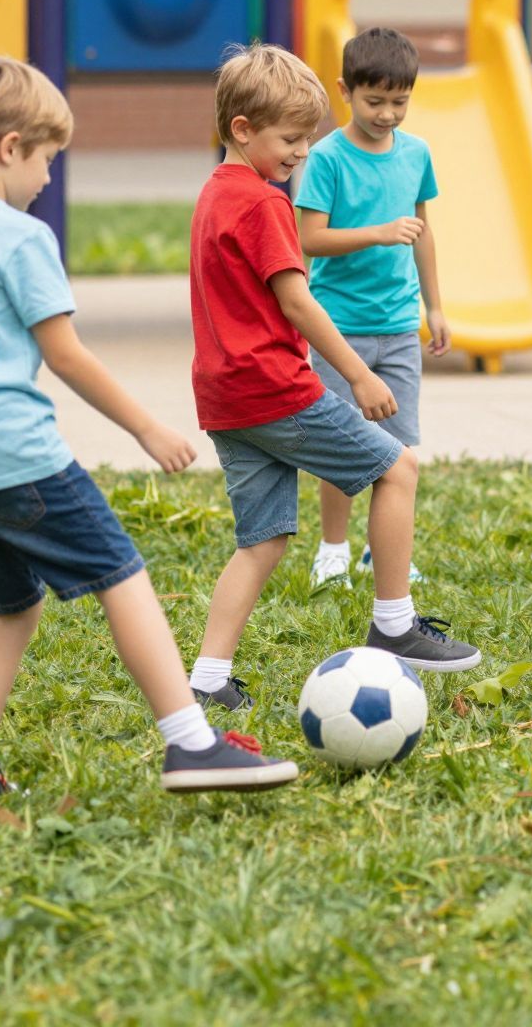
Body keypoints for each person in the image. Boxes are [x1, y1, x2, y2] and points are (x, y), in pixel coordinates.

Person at [0, 59, 295, 799]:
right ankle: (191, 742)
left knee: (11, 605)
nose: (49, 178)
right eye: (48, 158)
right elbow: (66, 355)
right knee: (122, 574)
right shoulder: (20, 239)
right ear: (11, 147)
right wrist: (147, 427)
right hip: (16, 456)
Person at [185, 44, 481, 712]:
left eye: (307, 138)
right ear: (242, 130)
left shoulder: (212, 195)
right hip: (274, 388)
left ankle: (206, 678)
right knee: (397, 467)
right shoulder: (262, 205)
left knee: (261, 540)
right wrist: (358, 375)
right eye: (290, 140)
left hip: (225, 397)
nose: (300, 153)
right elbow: (297, 299)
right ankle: (396, 625)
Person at [295, 27, 448, 592]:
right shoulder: (328, 158)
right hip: (340, 327)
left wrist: (436, 307)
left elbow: (423, 233)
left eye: (400, 102)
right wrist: (378, 233)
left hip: (400, 326)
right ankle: (332, 547)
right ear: (345, 91)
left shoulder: (416, 154)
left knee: (401, 446)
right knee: (342, 443)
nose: (387, 114)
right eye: (375, 101)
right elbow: (309, 239)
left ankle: (381, 550)